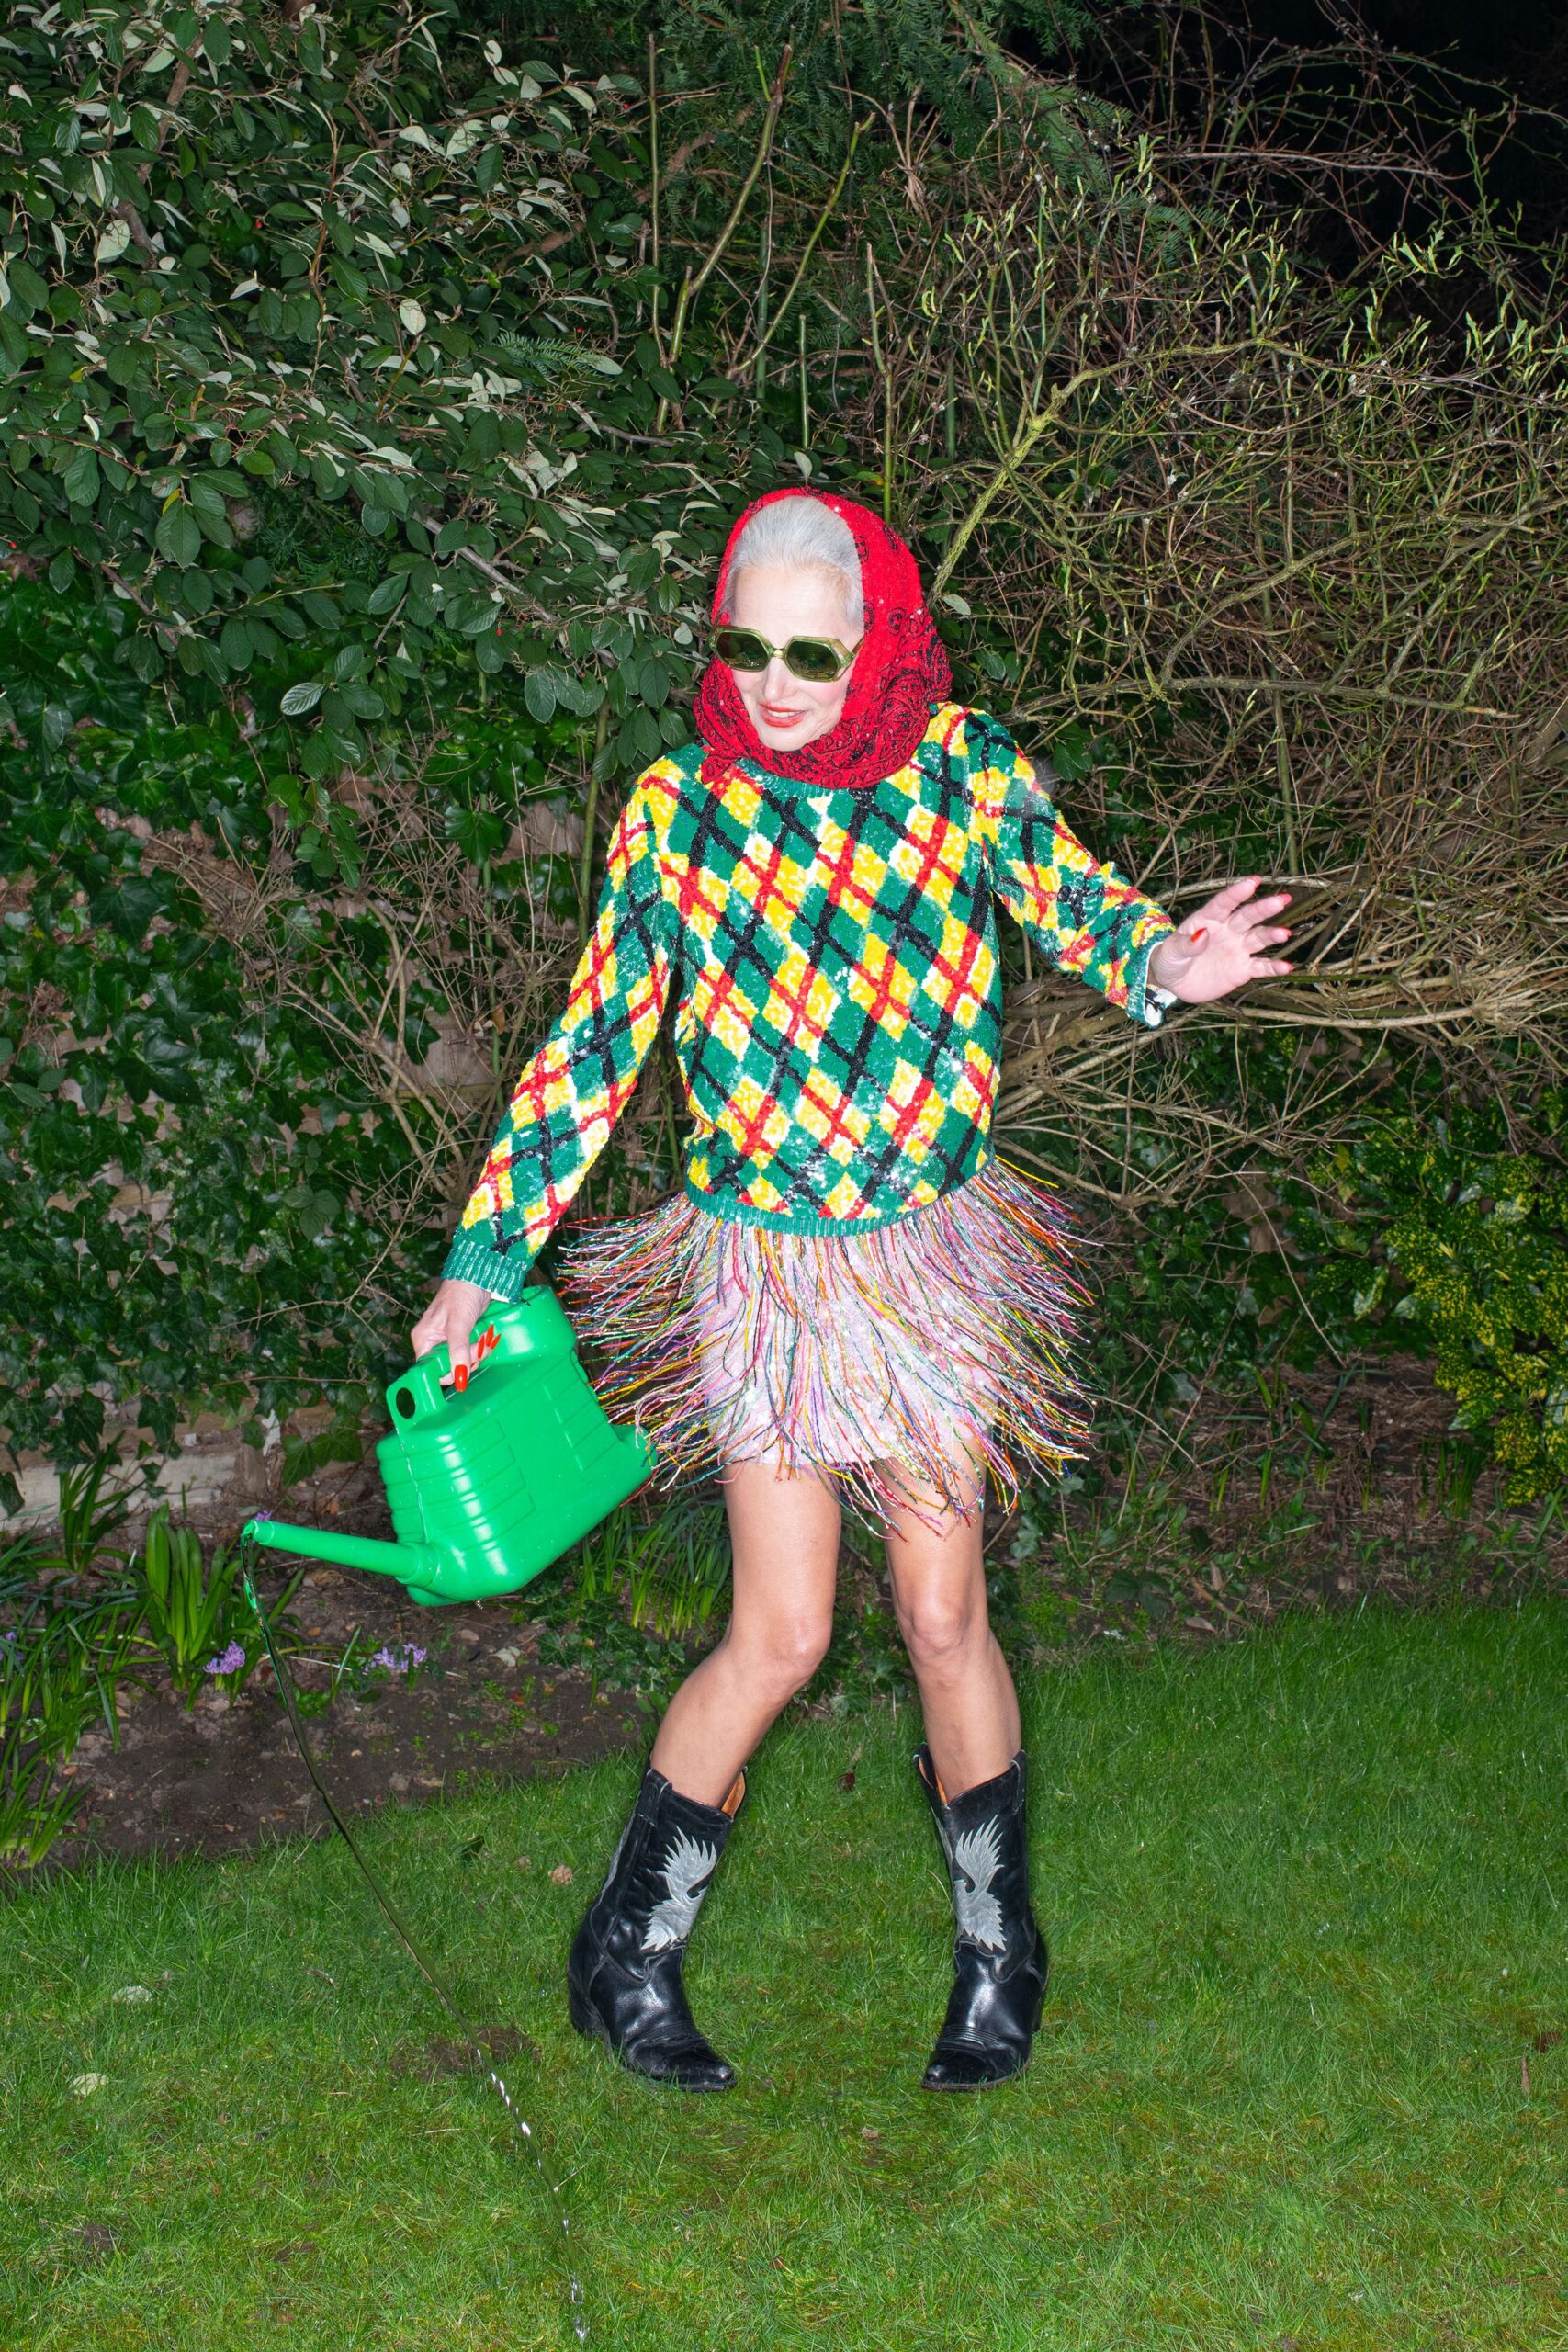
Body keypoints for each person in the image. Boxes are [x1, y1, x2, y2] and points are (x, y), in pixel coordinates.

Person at [411, 488, 1292, 2094]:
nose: (776, 679)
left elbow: (1077, 903)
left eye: (813, 649)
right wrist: (484, 1260)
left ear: (875, 634)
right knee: (786, 1627)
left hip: (924, 1261)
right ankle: (625, 1953)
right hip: (762, 1265)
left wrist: (1166, 964)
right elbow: (598, 1046)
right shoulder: (679, 806)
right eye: (745, 643)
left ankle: (996, 1951)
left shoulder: (960, 771)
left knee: (945, 1609)